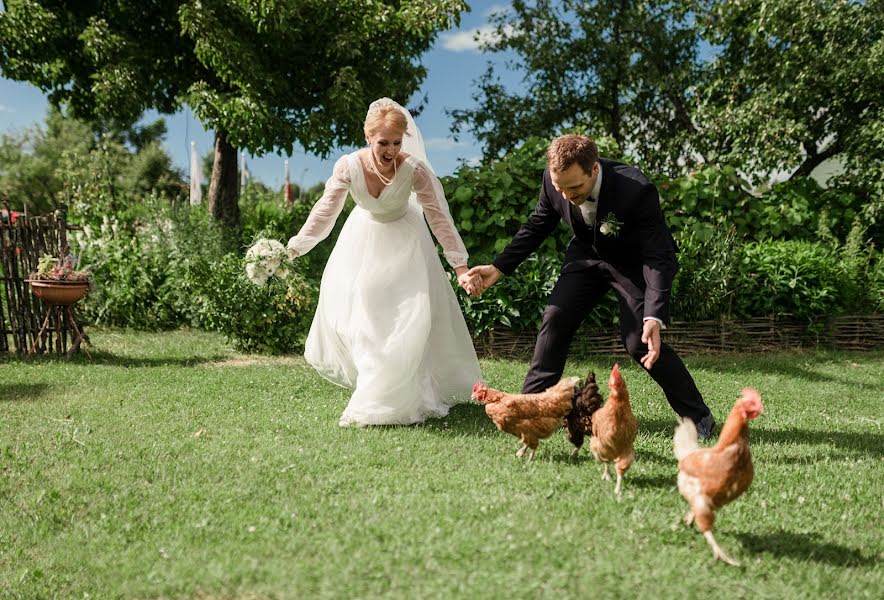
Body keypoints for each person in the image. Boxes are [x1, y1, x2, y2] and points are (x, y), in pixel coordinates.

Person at [466, 134, 716, 439]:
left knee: (639, 342)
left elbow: (657, 255)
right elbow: (539, 223)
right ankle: (530, 409)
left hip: (633, 264)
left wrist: (654, 315)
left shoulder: (636, 189)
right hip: (586, 257)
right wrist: (499, 267)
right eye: (561, 188)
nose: (568, 195)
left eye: (575, 188)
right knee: (556, 316)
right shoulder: (553, 179)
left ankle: (697, 416)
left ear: (594, 170)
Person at [286, 98, 482, 427]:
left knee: (409, 316)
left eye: (396, 142)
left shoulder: (414, 171)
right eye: (383, 143)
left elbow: (439, 220)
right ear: (368, 138)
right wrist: (294, 248)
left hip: (408, 244)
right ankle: (376, 390)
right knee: (365, 314)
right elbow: (325, 211)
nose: (390, 151)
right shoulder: (349, 166)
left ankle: (402, 395)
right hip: (364, 242)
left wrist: (460, 267)